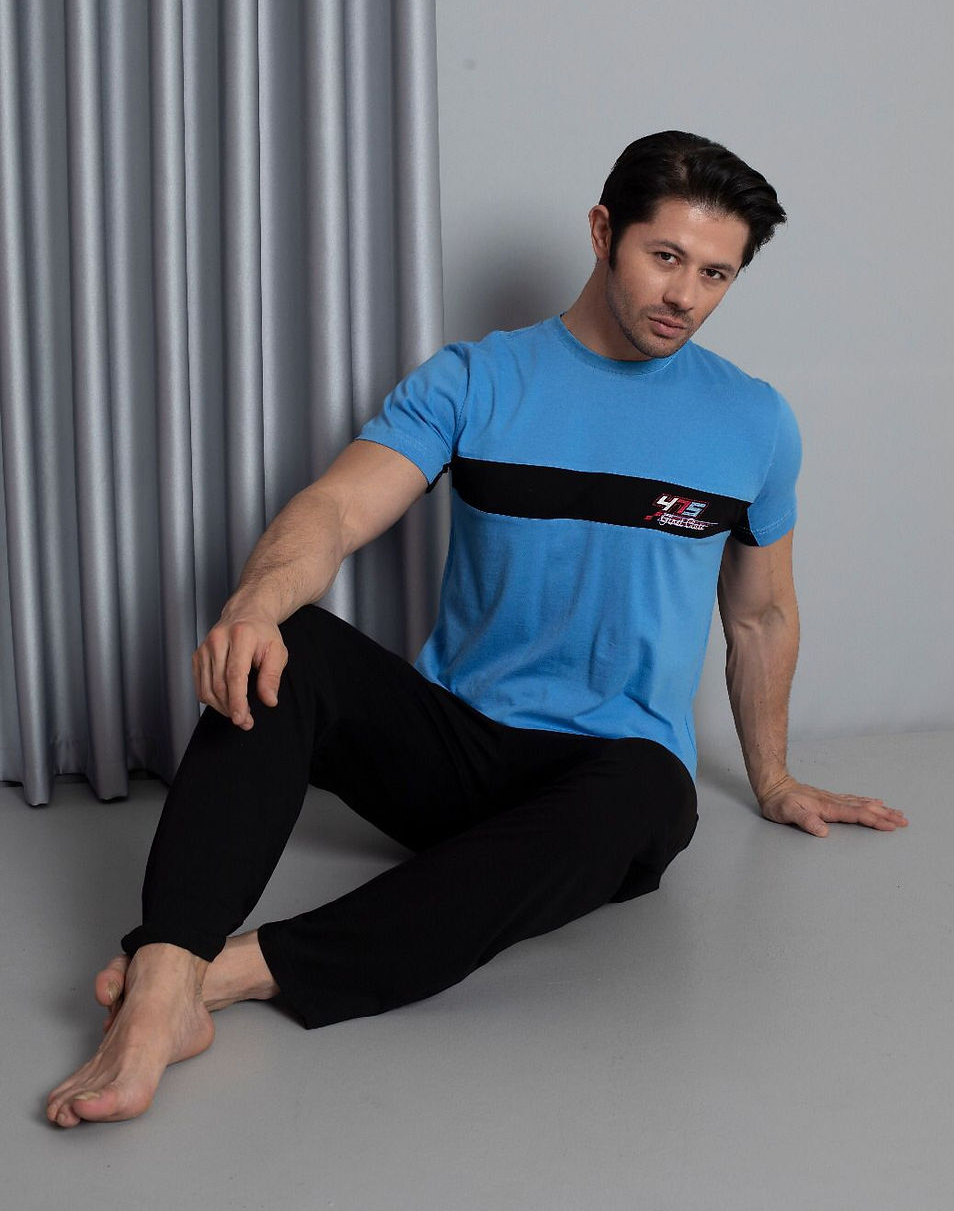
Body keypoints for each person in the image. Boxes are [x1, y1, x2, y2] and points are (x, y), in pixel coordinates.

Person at [46, 131, 908, 1128]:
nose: (684, 295)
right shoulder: (476, 379)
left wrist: (774, 777)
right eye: (664, 256)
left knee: (646, 791)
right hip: (458, 753)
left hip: (607, 779)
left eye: (715, 273)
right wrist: (253, 605)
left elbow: (758, 613)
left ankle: (231, 973)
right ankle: (163, 978)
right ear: (603, 232)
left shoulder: (752, 421)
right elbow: (335, 508)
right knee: (297, 642)